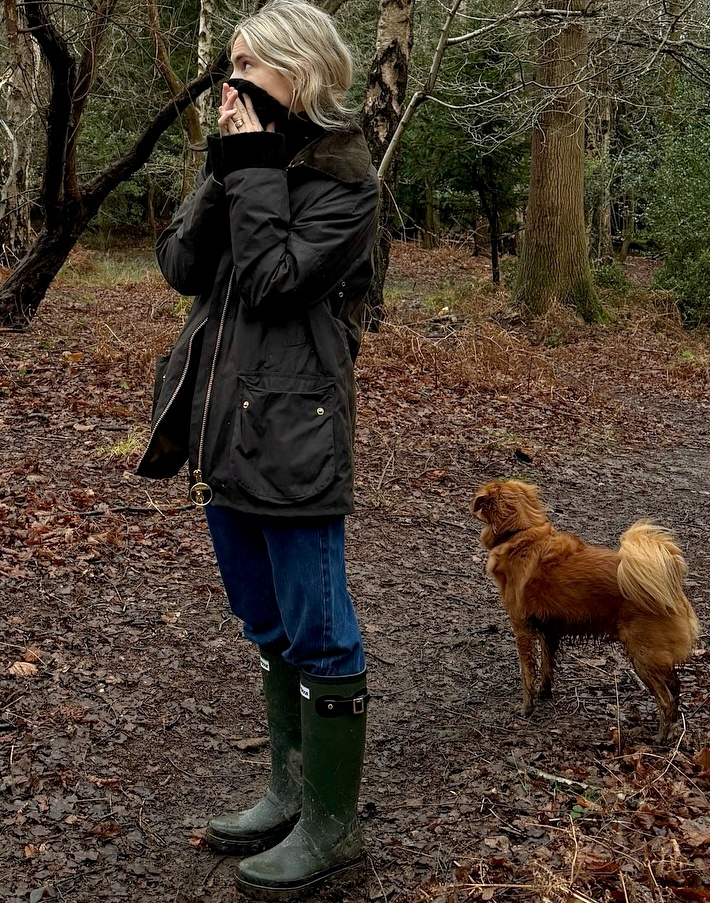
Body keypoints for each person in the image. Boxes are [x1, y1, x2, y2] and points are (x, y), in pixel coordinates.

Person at [136, 0, 378, 896]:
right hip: (223, 429)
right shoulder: (244, 160)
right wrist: (227, 167)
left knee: (319, 628)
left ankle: (333, 827)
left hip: (295, 437)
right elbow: (179, 266)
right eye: (229, 62)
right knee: (263, 617)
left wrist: (252, 168)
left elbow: (276, 282)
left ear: (299, 73)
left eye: (247, 64)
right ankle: (288, 791)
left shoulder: (346, 179)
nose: (229, 79)